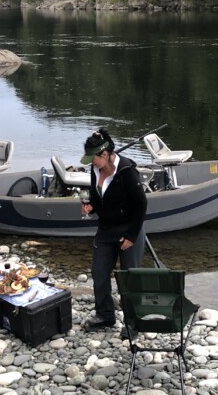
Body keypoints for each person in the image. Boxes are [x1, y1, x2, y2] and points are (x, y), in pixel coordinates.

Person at [79, 128, 148, 331]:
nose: (92, 163)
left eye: (94, 158)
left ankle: (133, 323)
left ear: (106, 155)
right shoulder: (95, 169)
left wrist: (132, 235)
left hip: (128, 229)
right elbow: (97, 196)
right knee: (99, 272)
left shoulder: (127, 171)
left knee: (129, 277)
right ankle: (105, 315)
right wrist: (91, 205)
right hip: (106, 229)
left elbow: (141, 204)